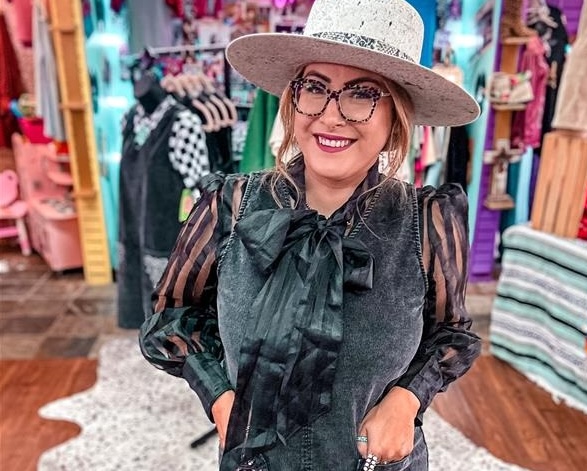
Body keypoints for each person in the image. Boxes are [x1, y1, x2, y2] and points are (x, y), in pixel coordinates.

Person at [139, 0, 482, 470]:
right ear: (292, 101)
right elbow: (170, 318)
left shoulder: (429, 221)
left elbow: (452, 333)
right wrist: (221, 399)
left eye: (362, 94)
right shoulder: (229, 206)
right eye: (315, 88)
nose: (330, 115)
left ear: (395, 119)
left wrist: (407, 400)